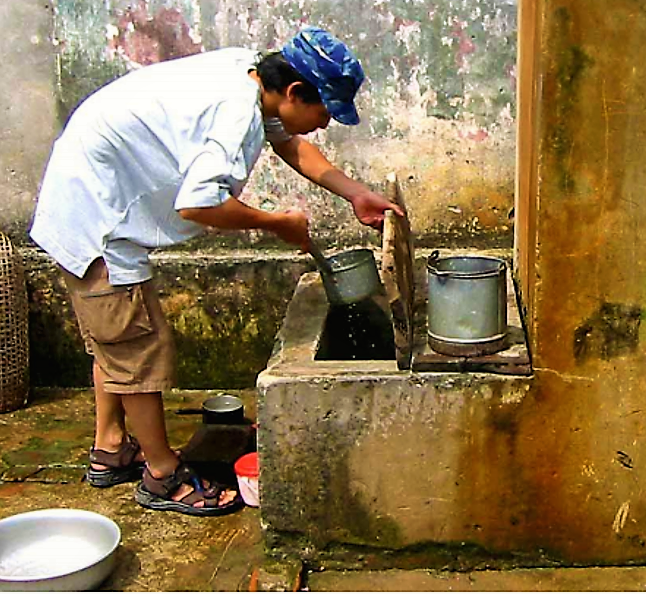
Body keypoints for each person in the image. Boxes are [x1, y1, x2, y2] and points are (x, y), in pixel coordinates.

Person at [30, 26, 402, 516]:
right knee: (139, 347)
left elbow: (290, 142)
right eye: (325, 111)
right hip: (97, 218)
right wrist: (275, 224)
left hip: (90, 189)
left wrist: (353, 191)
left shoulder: (248, 73)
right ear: (294, 92)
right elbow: (198, 205)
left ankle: (111, 447)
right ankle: (163, 477)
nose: (325, 123)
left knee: (116, 342)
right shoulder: (237, 117)